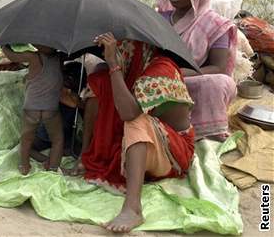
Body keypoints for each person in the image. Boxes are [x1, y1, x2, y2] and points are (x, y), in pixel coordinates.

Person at [66, 35, 195, 233]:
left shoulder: (162, 69)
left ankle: (133, 207)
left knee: (135, 120)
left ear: (140, 49)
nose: (119, 51)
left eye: (123, 47)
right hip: (146, 143)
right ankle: (86, 154)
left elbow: (128, 113)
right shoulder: (136, 67)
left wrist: (114, 65)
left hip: (175, 151)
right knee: (100, 82)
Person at [157, 0, 238, 140]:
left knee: (219, 83)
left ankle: (207, 132)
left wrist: (182, 73)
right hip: (160, 76)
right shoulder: (159, 18)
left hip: (193, 79)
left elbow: (219, 67)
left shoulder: (215, 24)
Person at [2, 43, 64, 175]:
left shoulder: (33, 57)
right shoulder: (60, 58)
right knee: (57, 139)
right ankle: (53, 168)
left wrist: (4, 45)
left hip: (32, 108)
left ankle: (24, 166)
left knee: (26, 138)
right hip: (50, 108)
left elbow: (12, 56)